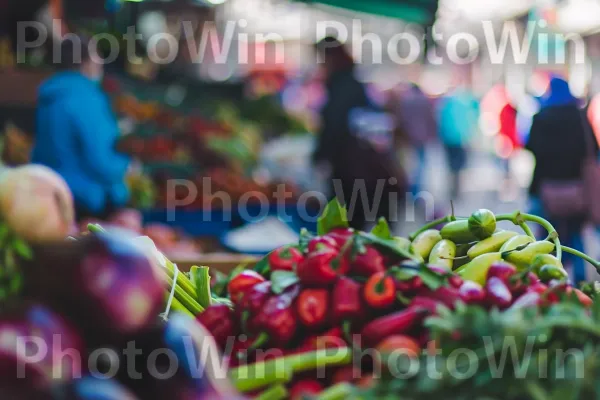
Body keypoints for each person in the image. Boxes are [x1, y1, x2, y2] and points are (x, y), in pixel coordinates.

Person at [32, 37, 130, 220]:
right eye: (97, 57)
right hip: (86, 200)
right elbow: (101, 161)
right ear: (84, 63)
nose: (101, 62)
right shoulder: (86, 98)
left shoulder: (50, 94)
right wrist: (126, 166)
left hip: (52, 191)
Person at [313, 37, 405, 231]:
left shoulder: (342, 85)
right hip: (359, 171)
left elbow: (334, 125)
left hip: (352, 172)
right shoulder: (353, 83)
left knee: (350, 225)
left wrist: (319, 156)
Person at [526, 76, 598, 283]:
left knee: (548, 236)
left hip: (547, 188)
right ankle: (581, 281)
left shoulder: (541, 117)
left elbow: (531, 148)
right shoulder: (579, 116)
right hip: (576, 188)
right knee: (576, 236)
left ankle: (548, 279)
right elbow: (592, 149)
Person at [387, 82, 437, 194]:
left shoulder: (405, 101)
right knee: (421, 164)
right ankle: (416, 189)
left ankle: (412, 188)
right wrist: (432, 135)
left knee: (411, 165)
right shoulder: (424, 101)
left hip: (409, 137)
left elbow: (401, 120)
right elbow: (431, 119)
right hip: (422, 137)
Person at [436, 85, 479, 200]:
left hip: (449, 139)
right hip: (459, 139)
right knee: (458, 165)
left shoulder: (445, 104)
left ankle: (453, 187)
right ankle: (456, 187)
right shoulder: (463, 104)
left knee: (452, 165)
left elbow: (440, 122)